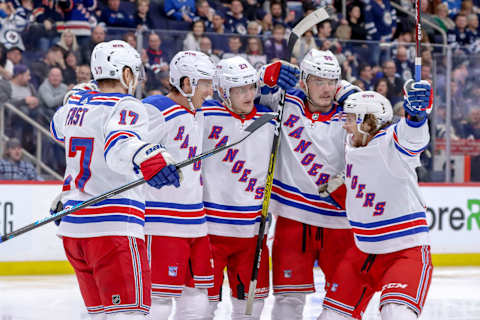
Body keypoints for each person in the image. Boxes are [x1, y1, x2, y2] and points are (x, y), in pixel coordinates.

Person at [49, 40, 181, 320]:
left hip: (75, 231)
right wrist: (150, 156)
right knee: (128, 314)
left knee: (99, 315)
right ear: (125, 74)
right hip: (112, 229)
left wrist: (74, 96)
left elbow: (57, 127)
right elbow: (119, 144)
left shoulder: (76, 107)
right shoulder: (126, 104)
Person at [256, 49, 361, 320]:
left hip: (339, 222)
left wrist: (352, 92)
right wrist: (268, 74)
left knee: (343, 303)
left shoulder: (351, 113)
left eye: (332, 82)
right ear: (303, 81)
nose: (327, 89)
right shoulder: (285, 100)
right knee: (288, 300)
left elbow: (373, 141)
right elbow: (250, 93)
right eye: (319, 81)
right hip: (293, 219)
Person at [317, 84, 433, 320]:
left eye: (351, 118)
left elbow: (412, 137)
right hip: (362, 252)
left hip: (404, 250)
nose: (345, 124)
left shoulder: (391, 142)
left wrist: (416, 117)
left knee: (396, 313)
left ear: (368, 122)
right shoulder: (354, 144)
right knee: (331, 317)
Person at [201, 56, 298, 320]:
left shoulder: (270, 121)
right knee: (199, 308)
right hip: (209, 232)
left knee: (250, 310)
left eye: (250, 87)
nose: (248, 94)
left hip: (252, 233)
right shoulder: (205, 115)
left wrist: (267, 82)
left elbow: (283, 97)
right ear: (223, 91)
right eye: (239, 89)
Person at [141, 50, 215, 320]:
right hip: (162, 220)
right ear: (186, 83)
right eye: (205, 83)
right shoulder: (154, 109)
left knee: (196, 297)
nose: (209, 90)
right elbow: (125, 149)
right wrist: (147, 161)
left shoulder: (199, 111)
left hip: (196, 220)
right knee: (158, 299)